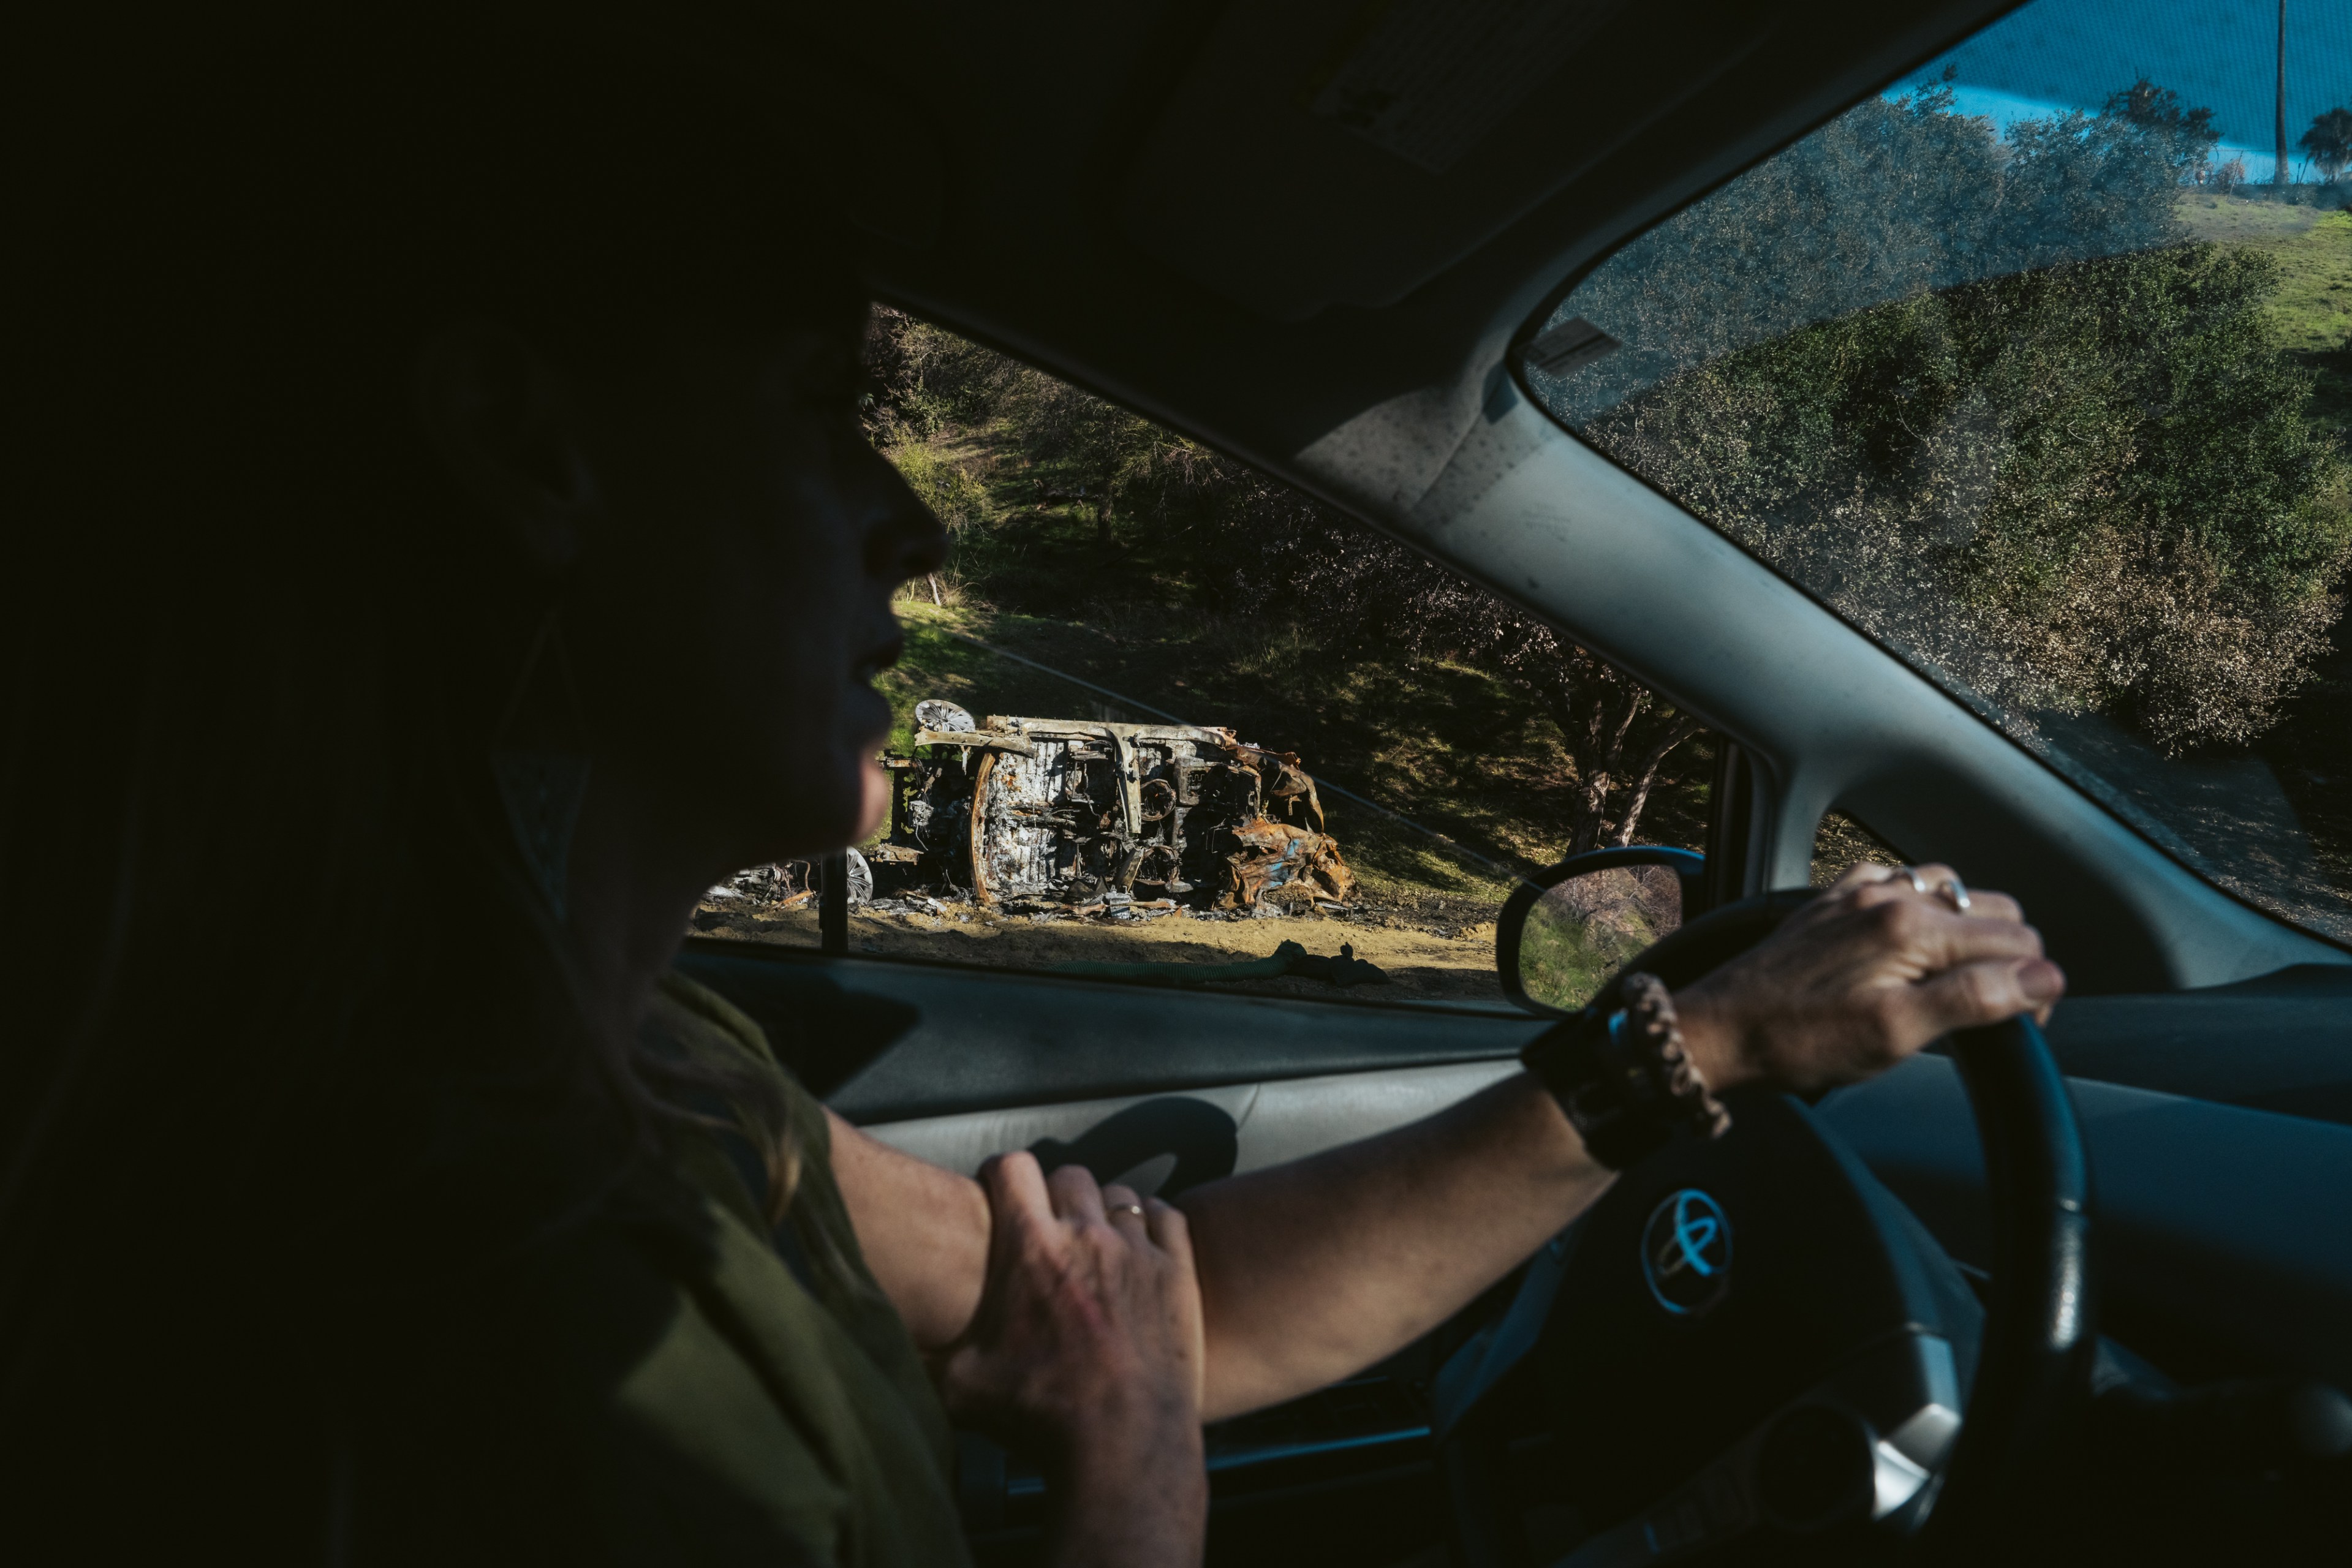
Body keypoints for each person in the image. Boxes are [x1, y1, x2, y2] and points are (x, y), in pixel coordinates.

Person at [0, 27, 2063, 1567]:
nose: (908, 522)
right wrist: (1133, 1483)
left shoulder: (648, 1068)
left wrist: (1700, 1037)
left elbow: (1203, 1300)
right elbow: (1151, 1370)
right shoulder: (424, 1309)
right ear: (528, 450)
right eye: (822, 411)